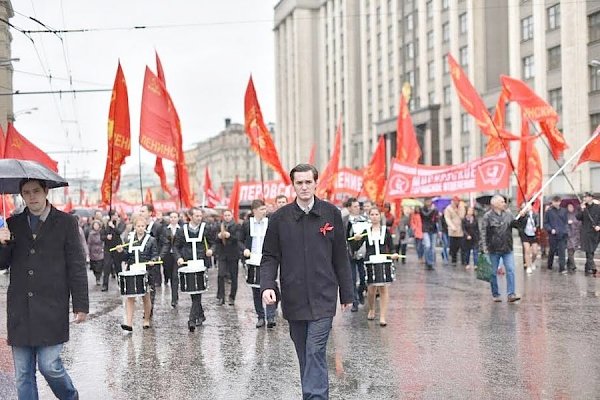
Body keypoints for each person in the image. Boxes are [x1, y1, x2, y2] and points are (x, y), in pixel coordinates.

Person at [261, 164, 353, 399]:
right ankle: (310, 394)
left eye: (308, 182)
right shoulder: (280, 218)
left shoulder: (331, 213)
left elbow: (341, 255)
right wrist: (267, 286)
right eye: (299, 183)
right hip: (294, 297)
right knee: (304, 353)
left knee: (315, 350)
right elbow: (270, 256)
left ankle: (315, 397)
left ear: (315, 183)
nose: (304, 187)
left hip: (324, 295)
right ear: (293, 185)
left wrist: (347, 293)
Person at [0, 178, 88, 399]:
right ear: (21, 195)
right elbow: (2, 264)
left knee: (50, 366)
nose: (32, 196)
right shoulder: (13, 223)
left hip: (52, 307)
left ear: (46, 191)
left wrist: (81, 305)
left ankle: (70, 396)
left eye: (36, 191)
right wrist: (2, 244)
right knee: (23, 374)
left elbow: (76, 266)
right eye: (26, 192)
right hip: (20, 309)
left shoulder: (67, 222)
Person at [351, 207, 399, 326]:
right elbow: (356, 247)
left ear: (380, 216)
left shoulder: (385, 230)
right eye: (372, 214)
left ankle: (382, 316)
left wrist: (394, 253)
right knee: (371, 290)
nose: (374, 216)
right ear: (369, 216)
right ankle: (372, 309)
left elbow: (391, 246)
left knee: (383, 289)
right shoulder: (366, 230)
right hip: (370, 263)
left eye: (376, 214)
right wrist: (356, 239)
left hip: (383, 262)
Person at [174, 207, 214, 332]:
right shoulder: (182, 230)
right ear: (190, 216)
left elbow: (214, 243)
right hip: (188, 263)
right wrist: (179, 257)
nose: (199, 218)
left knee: (198, 290)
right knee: (193, 291)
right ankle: (200, 315)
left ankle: (191, 320)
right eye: (196, 216)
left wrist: (211, 250)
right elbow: (175, 247)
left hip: (201, 263)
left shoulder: (206, 228)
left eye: (200, 216)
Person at [117, 215, 159, 331]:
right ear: (134, 227)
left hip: (146, 271)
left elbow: (155, 254)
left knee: (146, 296)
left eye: (142, 226)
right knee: (130, 297)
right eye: (138, 226)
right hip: (132, 269)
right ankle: (129, 323)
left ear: (145, 227)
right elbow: (126, 256)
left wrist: (153, 261)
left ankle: (146, 319)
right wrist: (121, 252)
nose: (140, 228)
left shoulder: (151, 240)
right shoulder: (129, 239)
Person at [241, 199, 277, 328]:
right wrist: (245, 249)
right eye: (261, 209)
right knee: (256, 290)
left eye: (265, 209)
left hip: (268, 260)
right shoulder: (247, 224)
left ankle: (271, 316)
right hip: (253, 260)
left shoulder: (271, 222)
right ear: (254, 211)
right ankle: (260, 316)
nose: (264, 211)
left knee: (270, 286)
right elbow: (241, 240)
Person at [480, 195, 521, 303]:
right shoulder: (487, 216)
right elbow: (483, 233)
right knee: (493, 273)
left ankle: (511, 294)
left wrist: (522, 217)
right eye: (502, 202)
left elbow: (516, 225)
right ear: (495, 204)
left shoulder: (508, 214)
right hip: (493, 249)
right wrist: (484, 248)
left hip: (507, 248)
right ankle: (496, 294)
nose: (504, 204)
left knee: (511, 270)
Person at [344, 197, 369, 311]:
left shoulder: (365, 219)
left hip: (363, 251)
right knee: (352, 278)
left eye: (358, 206)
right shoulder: (344, 220)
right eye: (355, 206)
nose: (357, 208)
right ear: (349, 208)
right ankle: (354, 301)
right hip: (350, 252)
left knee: (363, 277)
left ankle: (360, 291)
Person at [214, 209, 241, 306]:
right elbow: (215, 240)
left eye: (229, 215)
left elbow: (238, 239)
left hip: (233, 254)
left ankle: (232, 297)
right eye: (225, 215)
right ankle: (221, 297)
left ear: (232, 215)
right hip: (222, 254)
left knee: (233, 276)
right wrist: (219, 236)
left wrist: (229, 236)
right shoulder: (219, 226)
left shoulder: (237, 225)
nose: (227, 217)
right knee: (220, 275)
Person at [100, 209, 125, 291]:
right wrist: (106, 237)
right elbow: (102, 236)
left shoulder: (120, 223)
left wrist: (113, 227)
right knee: (106, 266)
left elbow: (119, 232)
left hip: (117, 247)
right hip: (108, 248)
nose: (116, 217)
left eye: (117, 215)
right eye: (114, 215)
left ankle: (121, 284)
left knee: (118, 266)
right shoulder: (105, 223)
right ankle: (105, 285)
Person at [576, 192, 600, 275]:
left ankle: (587, 267)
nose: (584, 198)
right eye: (584, 197)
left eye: (586, 197)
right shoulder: (583, 207)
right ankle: (592, 267)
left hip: (595, 232)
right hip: (586, 232)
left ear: (590, 197)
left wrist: (599, 226)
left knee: (591, 250)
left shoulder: (597, 207)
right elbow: (578, 217)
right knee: (589, 250)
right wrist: (582, 209)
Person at [161, 211, 181, 307]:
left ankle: (174, 298)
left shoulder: (181, 229)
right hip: (167, 256)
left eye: (175, 217)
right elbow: (163, 243)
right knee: (169, 274)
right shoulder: (165, 229)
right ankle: (174, 296)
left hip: (177, 256)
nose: (173, 219)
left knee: (175, 276)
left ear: (178, 218)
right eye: (171, 217)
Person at [544, 196, 568, 274]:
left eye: (558, 201)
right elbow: (546, 223)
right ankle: (549, 265)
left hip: (562, 234)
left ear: (560, 202)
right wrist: (550, 229)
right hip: (553, 235)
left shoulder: (564, 211)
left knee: (562, 251)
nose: (556, 203)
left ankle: (562, 268)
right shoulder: (549, 211)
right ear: (552, 202)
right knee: (552, 250)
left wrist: (565, 230)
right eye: (555, 201)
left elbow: (565, 222)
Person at [515, 202, 539, 274]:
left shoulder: (535, 214)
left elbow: (538, 223)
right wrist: (522, 215)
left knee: (535, 252)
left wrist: (536, 227)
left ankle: (531, 262)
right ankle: (528, 266)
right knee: (527, 250)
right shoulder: (522, 215)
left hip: (533, 234)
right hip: (525, 234)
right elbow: (517, 223)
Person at [444, 196, 466, 265]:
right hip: (452, 230)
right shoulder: (448, 208)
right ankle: (454, 260)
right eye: (455, 201)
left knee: (462, 246)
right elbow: (447, 218)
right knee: (453, 246)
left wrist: (458, 211)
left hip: (460, 229)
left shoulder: (461, 207)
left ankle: (463, 261)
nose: (456, 203)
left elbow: (462, 216)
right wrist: (451, 226)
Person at [420, 199, 438, 270]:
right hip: (426, 229)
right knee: (427, 246)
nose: (429, 202)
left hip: (433, 230)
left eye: (430, 201)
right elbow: (426, 215)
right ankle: (428, 262)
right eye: (427, 201)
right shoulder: (422, 209)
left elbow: (436, 219)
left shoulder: (434, 209)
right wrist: (432, 210)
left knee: (432, 248)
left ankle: (431, 263)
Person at [87, 219, 105, 286]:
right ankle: (96, 276)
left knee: (99, 265)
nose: (96, 226)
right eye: (95, 225)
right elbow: (89, 243)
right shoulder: (91, 234)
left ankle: (98, 278)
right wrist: (88, 251)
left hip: (100, 250)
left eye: (97, 225)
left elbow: (103, 240)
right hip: (93, 251)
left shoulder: (101, 232)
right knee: (94, 266)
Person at [566, 203, 581, 272]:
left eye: (571, 206)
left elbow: (579, 223)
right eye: (569, 207)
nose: (570, 208)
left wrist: (573, 222)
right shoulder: (565, 215)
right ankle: (573, 265)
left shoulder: (576, 214)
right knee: (570, 250)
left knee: (573, 250)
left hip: (575, 235)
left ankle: (569, 263)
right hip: (568, 235)